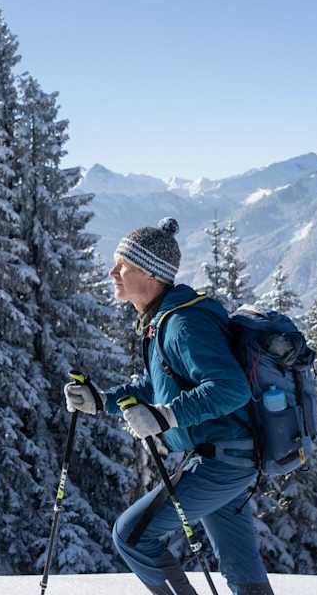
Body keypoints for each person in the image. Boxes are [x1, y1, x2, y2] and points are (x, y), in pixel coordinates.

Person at [63, 217, 273, 595]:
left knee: (131, 535)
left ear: (150, 274)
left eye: (122, 266)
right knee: (242, 568)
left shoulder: (183, 324)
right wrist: (102, 401)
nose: (112, 273)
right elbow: (157, 383)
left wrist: (165, 416)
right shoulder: (163, 321)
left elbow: (231, 388)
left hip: (222, 461)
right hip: (226, 457)